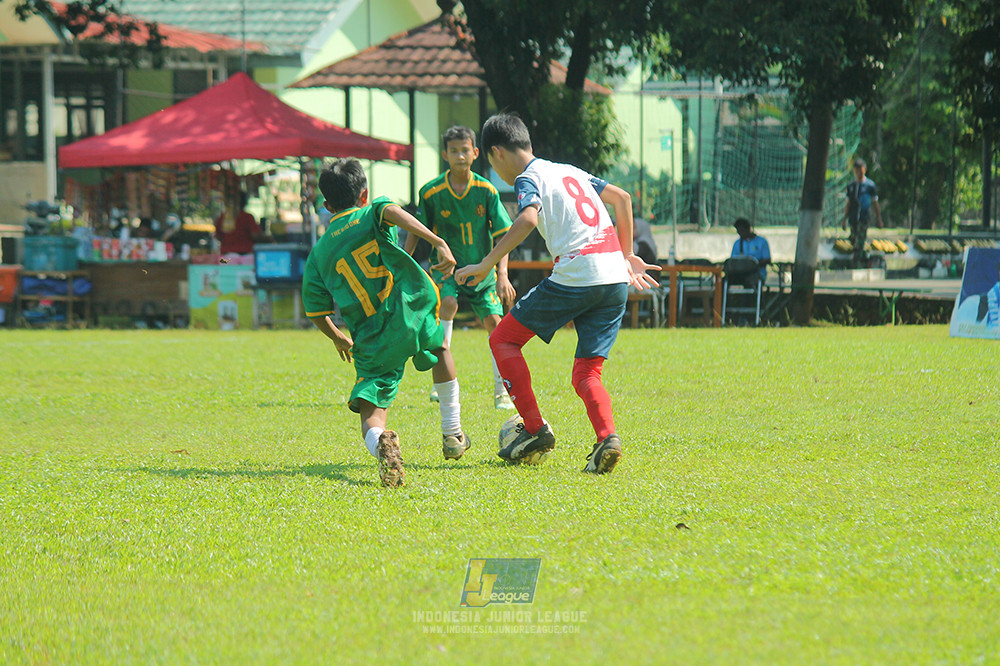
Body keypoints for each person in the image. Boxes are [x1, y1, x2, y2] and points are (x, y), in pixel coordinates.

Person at [455, 113, 660, 475]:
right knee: (586, 374)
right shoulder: (570, 171)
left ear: (496, 153)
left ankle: (535, 430)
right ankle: (607, 438)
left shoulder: (527, 178)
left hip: (578, 273)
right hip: (614, 278)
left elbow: (528, 219)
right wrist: (627, 255)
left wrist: (487, 263)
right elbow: (622, 198)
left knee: (502, 340)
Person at [301, 159, 469, 488]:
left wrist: (338, 338)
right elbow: (392, 211)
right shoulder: (372, 210)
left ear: (326, 205)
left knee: (371, 410)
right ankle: (452, 433)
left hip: (370, 338)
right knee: (439, 347)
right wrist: (437, 242)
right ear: (364, 194)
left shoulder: (318, 254)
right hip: (408, 309)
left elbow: (315, 312)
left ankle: (381, 441)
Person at [406, 125, 516, 410]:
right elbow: (415, 230)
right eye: (453, 150)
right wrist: (404, 263)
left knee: (494, 323)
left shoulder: (486, 190)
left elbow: (503, 235)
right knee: (449, 303)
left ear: (475, 153)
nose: (459, 155)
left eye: (465, 149)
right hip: (446, 271)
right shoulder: (430, 193)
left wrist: (501, 274)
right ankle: (439, 382)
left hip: (483, 270)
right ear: (445, 154)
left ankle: (502, 391)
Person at [840, 158, 883, 266]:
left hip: (864, 218)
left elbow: (875, 203)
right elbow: (848, 203)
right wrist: (844, 219)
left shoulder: (870, 186)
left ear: (865, 170)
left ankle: (857, 264)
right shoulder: (851, 186)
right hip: (853, 217)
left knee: (860, 241)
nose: (859, 173)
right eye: (857, 170)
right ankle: (864, 259)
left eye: (861, 170)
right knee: (854, 240)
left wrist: (879, 219)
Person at [730, 217, 771, 284]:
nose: (740, 234)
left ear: (748, 229)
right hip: (740, 274)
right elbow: (733, 259)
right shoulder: (737, 243)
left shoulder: (762, 241)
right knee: (724, 281)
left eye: (742, 231)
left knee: (749, 282)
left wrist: (752, 264)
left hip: (757, 274)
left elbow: (767, 260)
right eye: (738, 232)